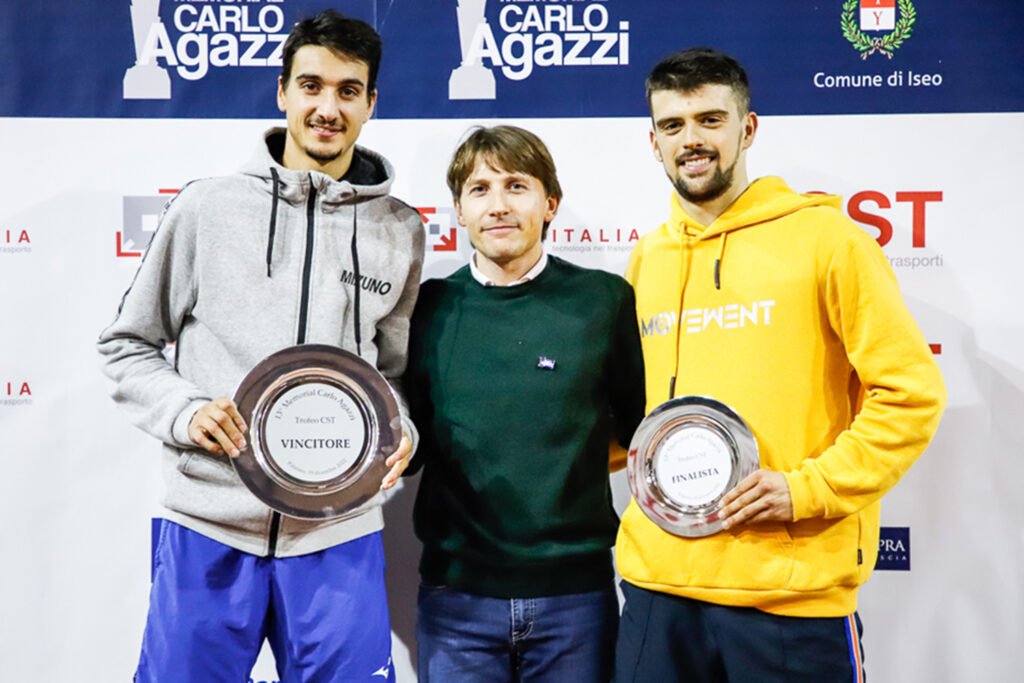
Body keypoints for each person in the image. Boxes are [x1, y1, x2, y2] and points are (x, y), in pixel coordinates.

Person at [97, 10, 424, 682]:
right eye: (311, 85)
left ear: (371, 103)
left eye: (347, 90)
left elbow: (390, 373)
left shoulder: (400, 229)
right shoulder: (207, 207)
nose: (327, 107)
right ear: (282, 91)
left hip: (338, 536)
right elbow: (128, 343)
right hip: (208, 526)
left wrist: (403, 427)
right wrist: (187, 411)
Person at [612, 48, 946, 682]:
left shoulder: (829, 241)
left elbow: (909, 396)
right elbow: (630, 413)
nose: (692, 141)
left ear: (749, 128)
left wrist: (804, 490)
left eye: (711, 119)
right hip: (659, 589)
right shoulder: (648, 258)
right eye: (673, 125)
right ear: (653, 142)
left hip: (791, 598)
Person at [404, 125, 646, 682]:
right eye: (480, 189)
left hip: (575, 600)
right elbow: (409, 447)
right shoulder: (427, 309)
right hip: (455, 600)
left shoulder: (604, 301)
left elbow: (639, 435)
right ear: (459, 212)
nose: (498, 205)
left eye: (516, 185)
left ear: (549, 203)